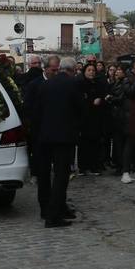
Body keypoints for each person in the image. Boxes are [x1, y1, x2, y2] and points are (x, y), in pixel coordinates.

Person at [29, 57, 84, 227]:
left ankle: (48, 209)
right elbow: (80, 109)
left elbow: (36, 113)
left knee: (44, 175)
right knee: (61, 176)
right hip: (64, 137)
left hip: (44, 136)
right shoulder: (73, 84)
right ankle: (54, 215)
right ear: (73, 70)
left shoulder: (44, 85)